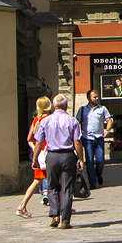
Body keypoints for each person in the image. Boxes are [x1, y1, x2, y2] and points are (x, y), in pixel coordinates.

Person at [35, 94, 85, 229]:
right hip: (68, 155)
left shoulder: (45, 121)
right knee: (67, 188)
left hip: (52, 155)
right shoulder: (72, 121)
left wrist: (35, 159)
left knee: (52, 186)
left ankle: (55, 214)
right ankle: (65, 220)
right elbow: (77, 142)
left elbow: (39, 142)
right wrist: (81, 159)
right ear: (66, 106)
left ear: (54, 106)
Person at [16, 96, 52, 218]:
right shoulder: (49, 119)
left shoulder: (36, 119)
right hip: (48, 153)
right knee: (57, 178)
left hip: (39, 154)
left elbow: (29, 139)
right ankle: (62, 206)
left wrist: (35, 149)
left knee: (37, 181)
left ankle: (22, 205)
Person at [74, 89, 113, 189]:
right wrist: (77, 133)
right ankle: (92, 183)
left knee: (100, 160)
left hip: (99, 137)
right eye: (94, 97)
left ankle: (98, 174)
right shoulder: (82, 109)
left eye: (97, 97)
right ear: (88, 98)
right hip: (87, 138)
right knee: (89, 161)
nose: (96, 98)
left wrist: (107, 130)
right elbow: (77, 122)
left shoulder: (102, 109)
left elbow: (109, 120)